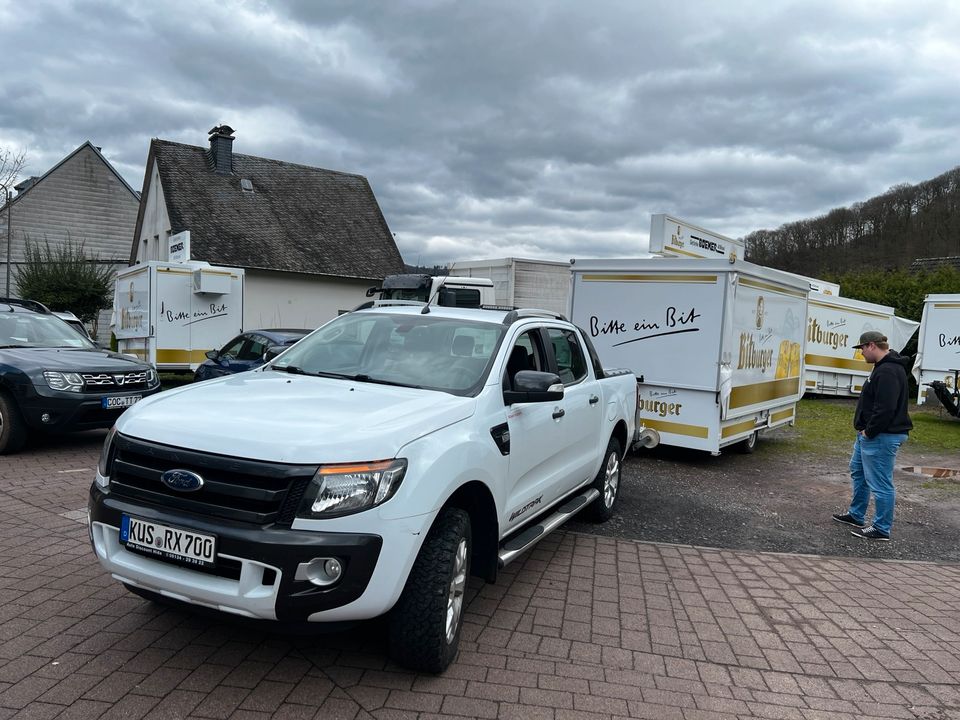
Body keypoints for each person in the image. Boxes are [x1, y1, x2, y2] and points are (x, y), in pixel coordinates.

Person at [832, 330, 913, 541]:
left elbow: (885, 408)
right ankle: (856, 514)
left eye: (861, 349)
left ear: (870, 346)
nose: (861, 354)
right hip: (870, 436)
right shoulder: (883, 368)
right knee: (858, 471)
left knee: (881, 483)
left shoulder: (887, 371)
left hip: (881, 436)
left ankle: (881, 528)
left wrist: (869, 431)